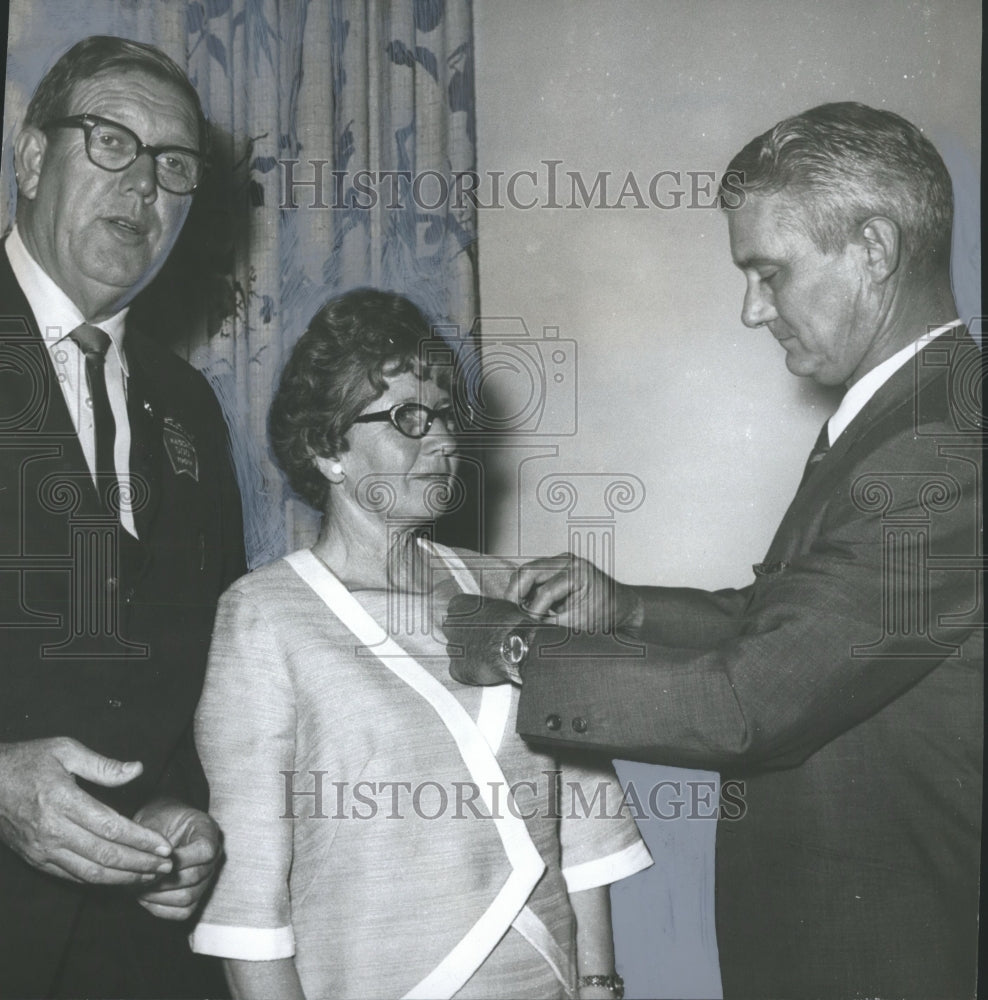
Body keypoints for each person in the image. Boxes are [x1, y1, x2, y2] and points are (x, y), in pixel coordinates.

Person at [444, 103, 982, 999]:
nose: (750, 309)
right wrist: (625, 609)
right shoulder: (908, 415)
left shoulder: (943, 445)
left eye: (769, 273)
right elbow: (789, 624)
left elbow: (748, 701)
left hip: (876, 955)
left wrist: (515, 649)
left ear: (875, 248)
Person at [190, 289, 651, 1000]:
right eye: (408, 419)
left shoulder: (514, 587)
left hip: (546, 977)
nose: (442, 441)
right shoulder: (265, 618)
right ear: (327, 448)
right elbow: (248, 900)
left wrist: (598, 983)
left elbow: (585, 818)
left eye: (443, 416)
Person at [0, 36, 245, 999]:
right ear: (30, 159)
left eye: (173, 164)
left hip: (140, 949)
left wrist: (185, 805)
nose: (143, 183)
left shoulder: (189, 405)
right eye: (110, 141)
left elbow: (200, 654)